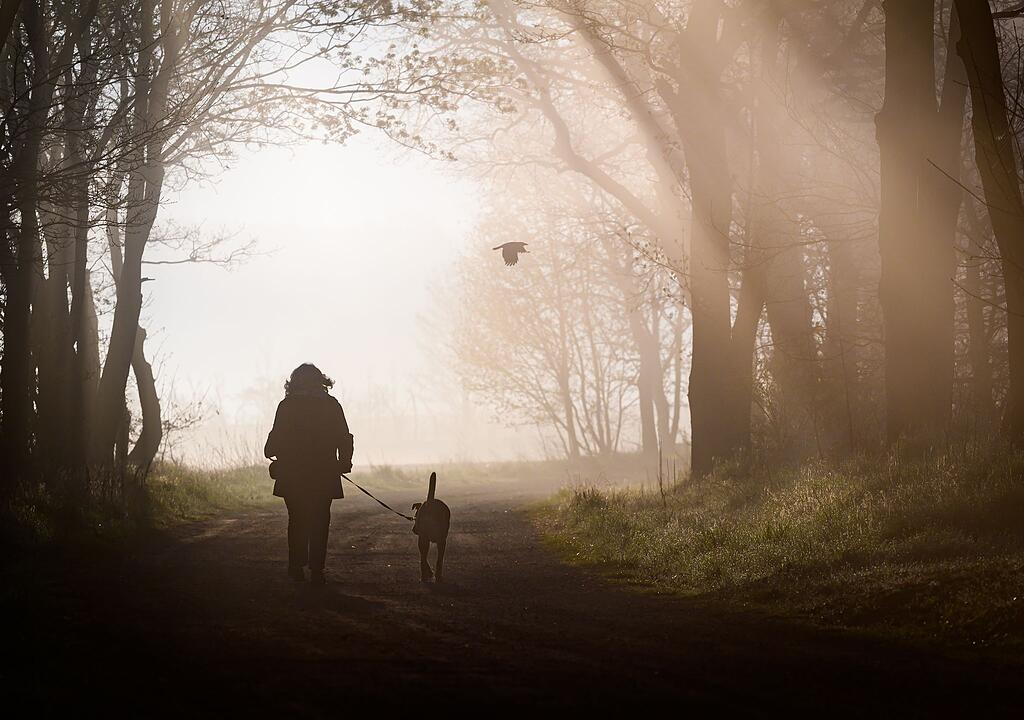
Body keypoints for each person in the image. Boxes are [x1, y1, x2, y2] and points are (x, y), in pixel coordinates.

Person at [264, 363, 354, 585]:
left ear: (293, 383)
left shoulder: (286, 406)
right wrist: (344, 462)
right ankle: (317, 569)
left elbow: (272, 446)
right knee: (320, 520)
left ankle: (296, 567)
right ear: (321, 381)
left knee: (297, 520)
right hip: (324, 474)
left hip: (292, 476)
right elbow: (344, 437)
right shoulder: (332, 405)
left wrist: (272, 450)